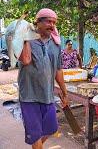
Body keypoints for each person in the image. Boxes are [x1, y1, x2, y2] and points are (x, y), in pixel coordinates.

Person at [18, 8, 69, 149]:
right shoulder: (26, 41)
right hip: (29, 96)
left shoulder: (56, 44)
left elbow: (58, 70)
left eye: (54, 22)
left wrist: (64, 92)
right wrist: (25, 39)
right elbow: (25, 60)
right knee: (35, 136)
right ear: (38, 22)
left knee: (50, 129)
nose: (51, 25)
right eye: (48, 21)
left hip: (47, 95)